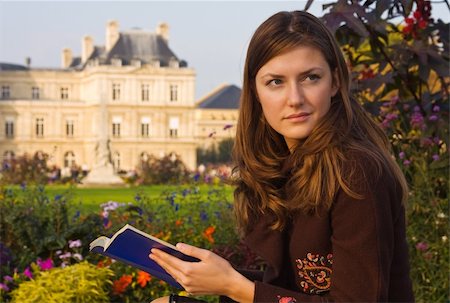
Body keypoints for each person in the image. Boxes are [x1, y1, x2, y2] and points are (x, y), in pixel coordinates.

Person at [149, 10, 414, 303]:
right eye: (276, 82)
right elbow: (296, 287)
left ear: (335, 82)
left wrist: (235, 286)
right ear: (255, 91)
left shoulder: (357, 172)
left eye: (311, 78)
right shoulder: (283, 166)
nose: (295, 98)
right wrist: (221, 277)